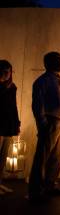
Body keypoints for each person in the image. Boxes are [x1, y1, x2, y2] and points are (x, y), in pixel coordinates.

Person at [28, 52, 60, 201]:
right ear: (48, 63)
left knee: (57, 156)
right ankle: (35, 190)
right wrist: (43, 124)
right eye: (57, 60)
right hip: (51, 122)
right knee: (42, 157)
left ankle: (50, 185)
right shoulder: (42, 81)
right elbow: (37, 106)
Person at [0, 60, 20, 195]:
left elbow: (14, 106)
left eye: (9, 71)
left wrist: (17, 123)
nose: (7, 74)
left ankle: (0, 182)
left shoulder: (12, 87)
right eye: (5, 71)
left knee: (3, 155)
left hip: (7, 124)